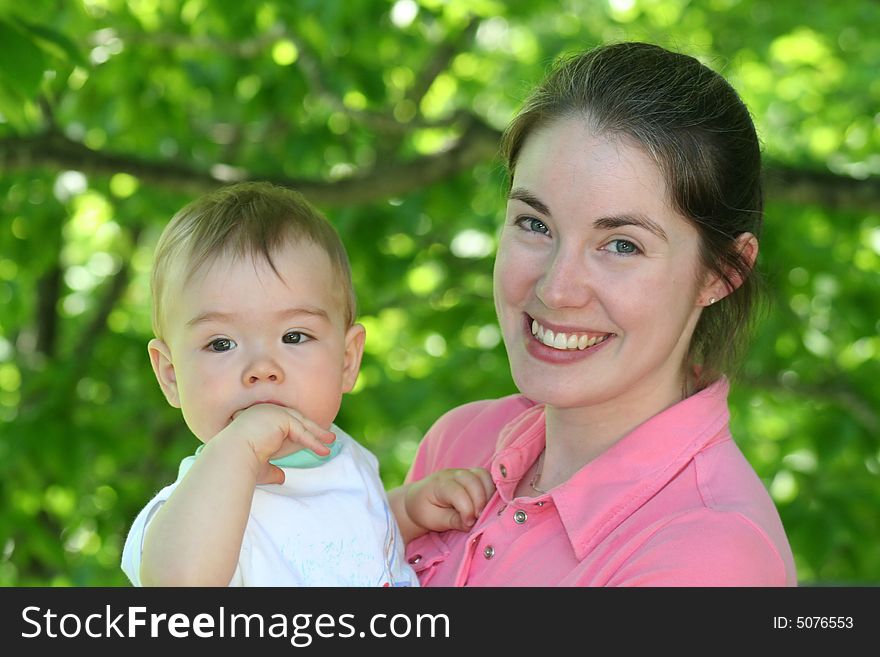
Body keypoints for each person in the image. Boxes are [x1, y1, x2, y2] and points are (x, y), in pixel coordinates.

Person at [389, 42, 798, 586]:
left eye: (622, 245)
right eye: (535, 225)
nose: (557, 290)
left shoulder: (710, 555)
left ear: (721, 271)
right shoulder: (461, 441)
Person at [121, 182, 493, 586]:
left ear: (347, 361)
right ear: (171, 375)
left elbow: (343, 549)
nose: (261, 368)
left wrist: (408, 512)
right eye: (221, 343)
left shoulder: (348, 459)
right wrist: (240, 448)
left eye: (294, 336)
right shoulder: (192, 509)